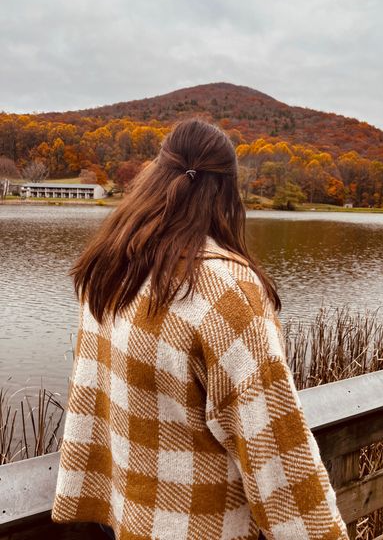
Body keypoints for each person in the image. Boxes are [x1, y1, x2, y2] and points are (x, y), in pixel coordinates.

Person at [51, 119, 348, 540]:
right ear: (227, 192)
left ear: (157, 174)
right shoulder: (225, 292)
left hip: (132, 521)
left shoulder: (109, 269)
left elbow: (90, 398)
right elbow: (274, 447)